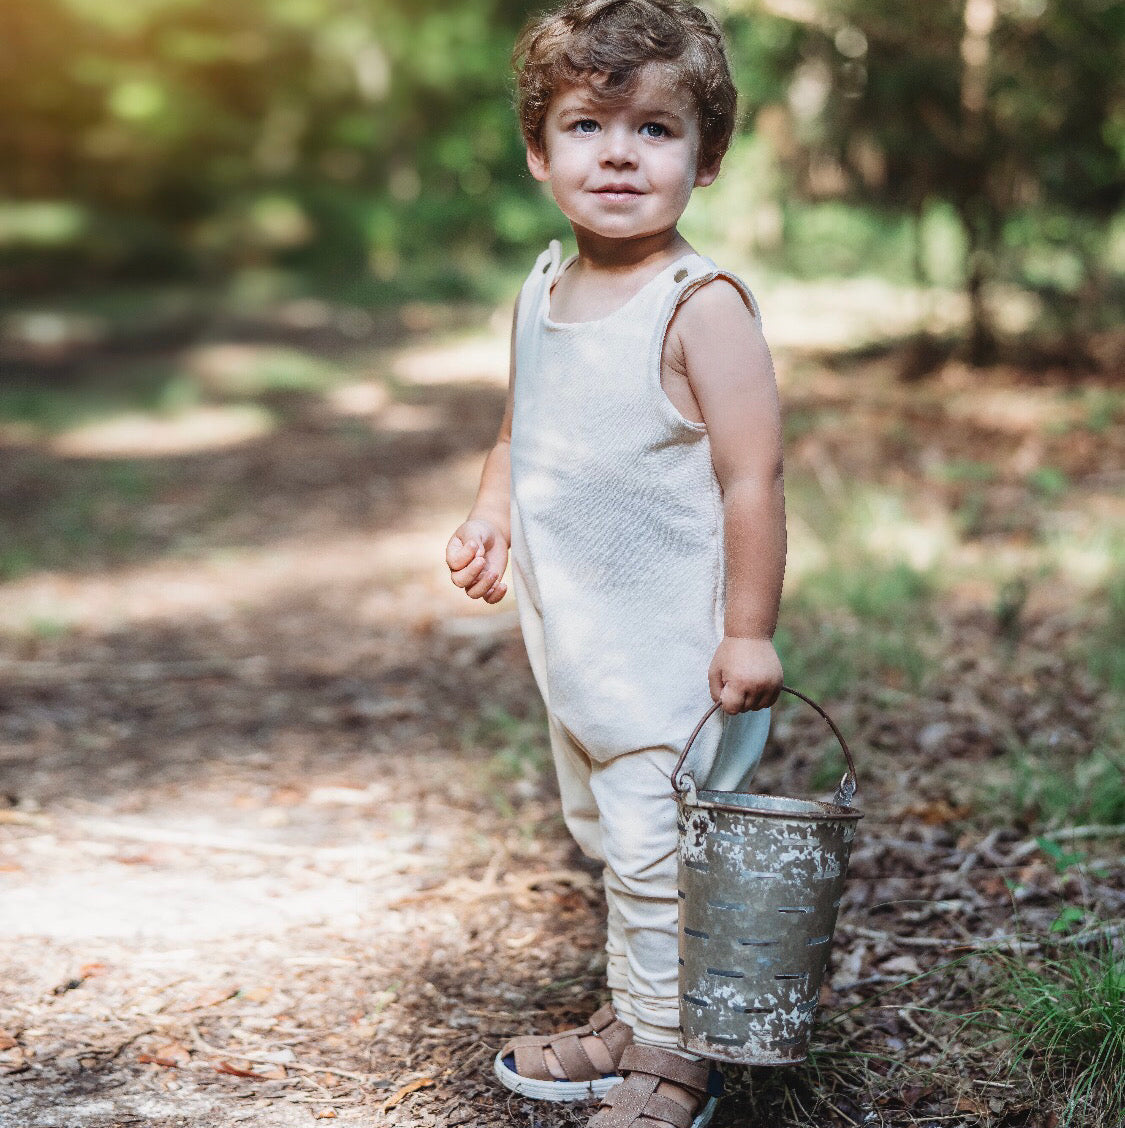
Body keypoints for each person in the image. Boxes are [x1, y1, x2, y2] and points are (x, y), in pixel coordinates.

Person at [445, 2, 785, 1125]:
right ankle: (637, 1019)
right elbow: (519, 428)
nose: (621, 154)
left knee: (654, 855)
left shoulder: (702, 309)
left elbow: (753, 480)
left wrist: (747, 630)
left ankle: (674, 1064)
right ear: (540, 154)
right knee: (610, 840)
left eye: (656, 128)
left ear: (708, 154)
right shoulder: (542, 294)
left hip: (674, 659)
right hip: (583, 649)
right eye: (589, 126)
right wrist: (492, 514)